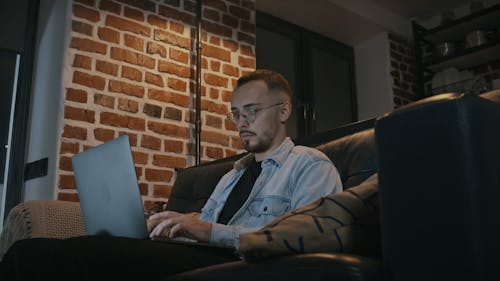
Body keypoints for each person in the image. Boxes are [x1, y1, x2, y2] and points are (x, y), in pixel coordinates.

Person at [0, 69, 342, 280]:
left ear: (284, 110)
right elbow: (203, 231)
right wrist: (171, 228)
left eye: (251, 112)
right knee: (36, 251)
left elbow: (315, 239)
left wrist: (209, 230)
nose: (241, 123)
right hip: (199, 257)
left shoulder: (310, 165)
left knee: (39, 258)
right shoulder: (232, 175)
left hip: (243, 265)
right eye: (236, 114)